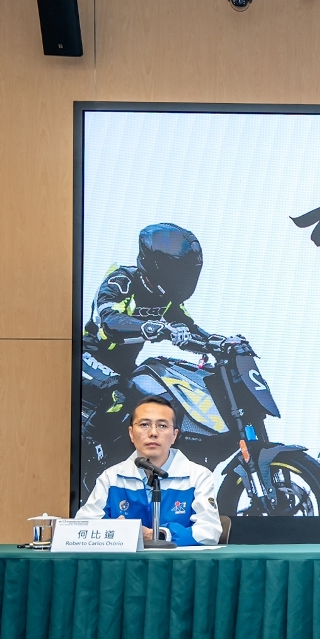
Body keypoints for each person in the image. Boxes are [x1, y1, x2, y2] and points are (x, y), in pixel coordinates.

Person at [80, 223, 222, 452]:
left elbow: (190, 328)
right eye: (178, 272)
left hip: (125, 367)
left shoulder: (166, 299)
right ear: (158, 266)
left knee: (156, 400)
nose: (183, 279)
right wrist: (153, 327)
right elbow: (110, 321)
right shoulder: (121, 281)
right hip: (89, 356)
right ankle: (86, 449)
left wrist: (221, 343)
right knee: (118, 391)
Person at [77, 395, 222, 546]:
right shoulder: (111, 477)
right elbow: (83, 526)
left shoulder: (198, 476)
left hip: (175, 561)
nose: (153, 433)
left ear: (174, 435)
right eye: (144, 424)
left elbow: (210, 532)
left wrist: (161, 535)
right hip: (127, 561)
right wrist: (118, 530)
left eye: (162, 426)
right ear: (131, 433)